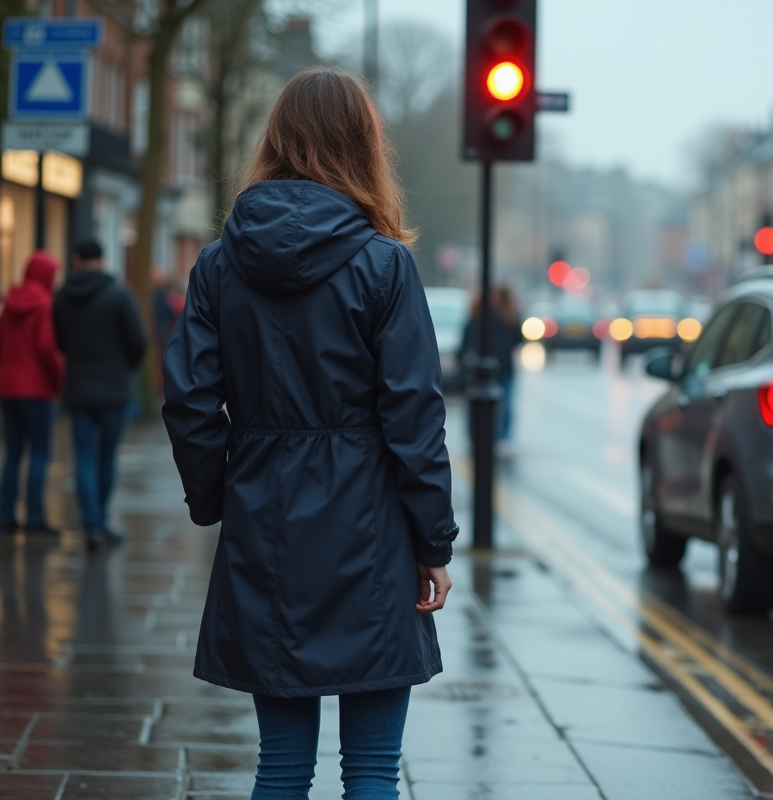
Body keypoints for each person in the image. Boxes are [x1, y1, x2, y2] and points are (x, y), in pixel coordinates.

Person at [161, 68, 456, 800]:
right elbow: (414, 415)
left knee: (282, 768)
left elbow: (190, 399)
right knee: (373, 773)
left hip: (265, 523)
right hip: (373, 530)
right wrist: (434, 542)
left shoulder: (219, 265)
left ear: (276, 140)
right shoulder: (385, 267)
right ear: (364, 146)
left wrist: (218, 498)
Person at [53, 240, 147, 550]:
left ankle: (91, 525)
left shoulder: (63, 297)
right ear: (102, 259)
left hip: (78, 388)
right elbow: (138, 342)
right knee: (106, 458)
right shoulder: (119, 294)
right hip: (113, 390)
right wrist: (124, 368)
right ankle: (101, 521)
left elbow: (60, 340)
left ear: (76, 260)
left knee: (82, 457)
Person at [0, 252, 64, 537]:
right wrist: (60, 379)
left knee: (13, 452)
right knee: (39, 452)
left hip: (7, 388)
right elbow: (46, 349)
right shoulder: (44, 306)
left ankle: (5, 513)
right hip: (37, 390)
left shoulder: (9, 304)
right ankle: (35, 515)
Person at [459, 286, 521, 451]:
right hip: (479, 371)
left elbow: (518, 339)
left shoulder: (507, 318)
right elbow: (465, 344)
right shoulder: (476, 318)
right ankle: (477, 438)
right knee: (477, 407)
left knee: (505, 407)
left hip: (504, 369)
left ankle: (502, 439)